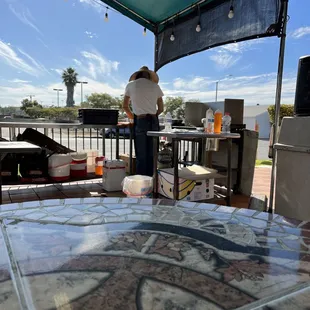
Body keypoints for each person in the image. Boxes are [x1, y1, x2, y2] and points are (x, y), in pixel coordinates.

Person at [123, 66, 164, 177]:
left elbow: (125, 106)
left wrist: (134, 117)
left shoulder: (130, 85)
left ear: (137, 75)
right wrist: (154, 116)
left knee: (141, 155)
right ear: (149, 76)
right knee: (152, 154)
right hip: (153, 121)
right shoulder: (155, 86)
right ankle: (152, 182)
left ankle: (141, 184)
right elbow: (161, 108)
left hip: (140, 120)